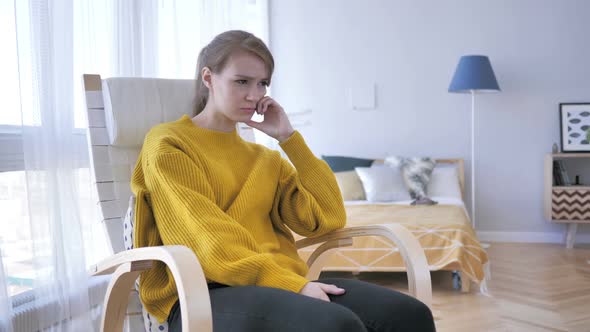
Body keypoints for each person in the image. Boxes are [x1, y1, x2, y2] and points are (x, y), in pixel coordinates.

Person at [131, 30, 435, 332]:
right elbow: (210, 240)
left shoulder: (266, 160)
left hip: (281, 285)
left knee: (410, 315)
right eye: (241, 82)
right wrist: (291, 284)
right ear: (208, 78)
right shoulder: (169, 144)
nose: (254, 95)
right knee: (335, 325)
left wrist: (290, 140)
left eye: (262, 83)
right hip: (201, 294)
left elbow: (326, 218)